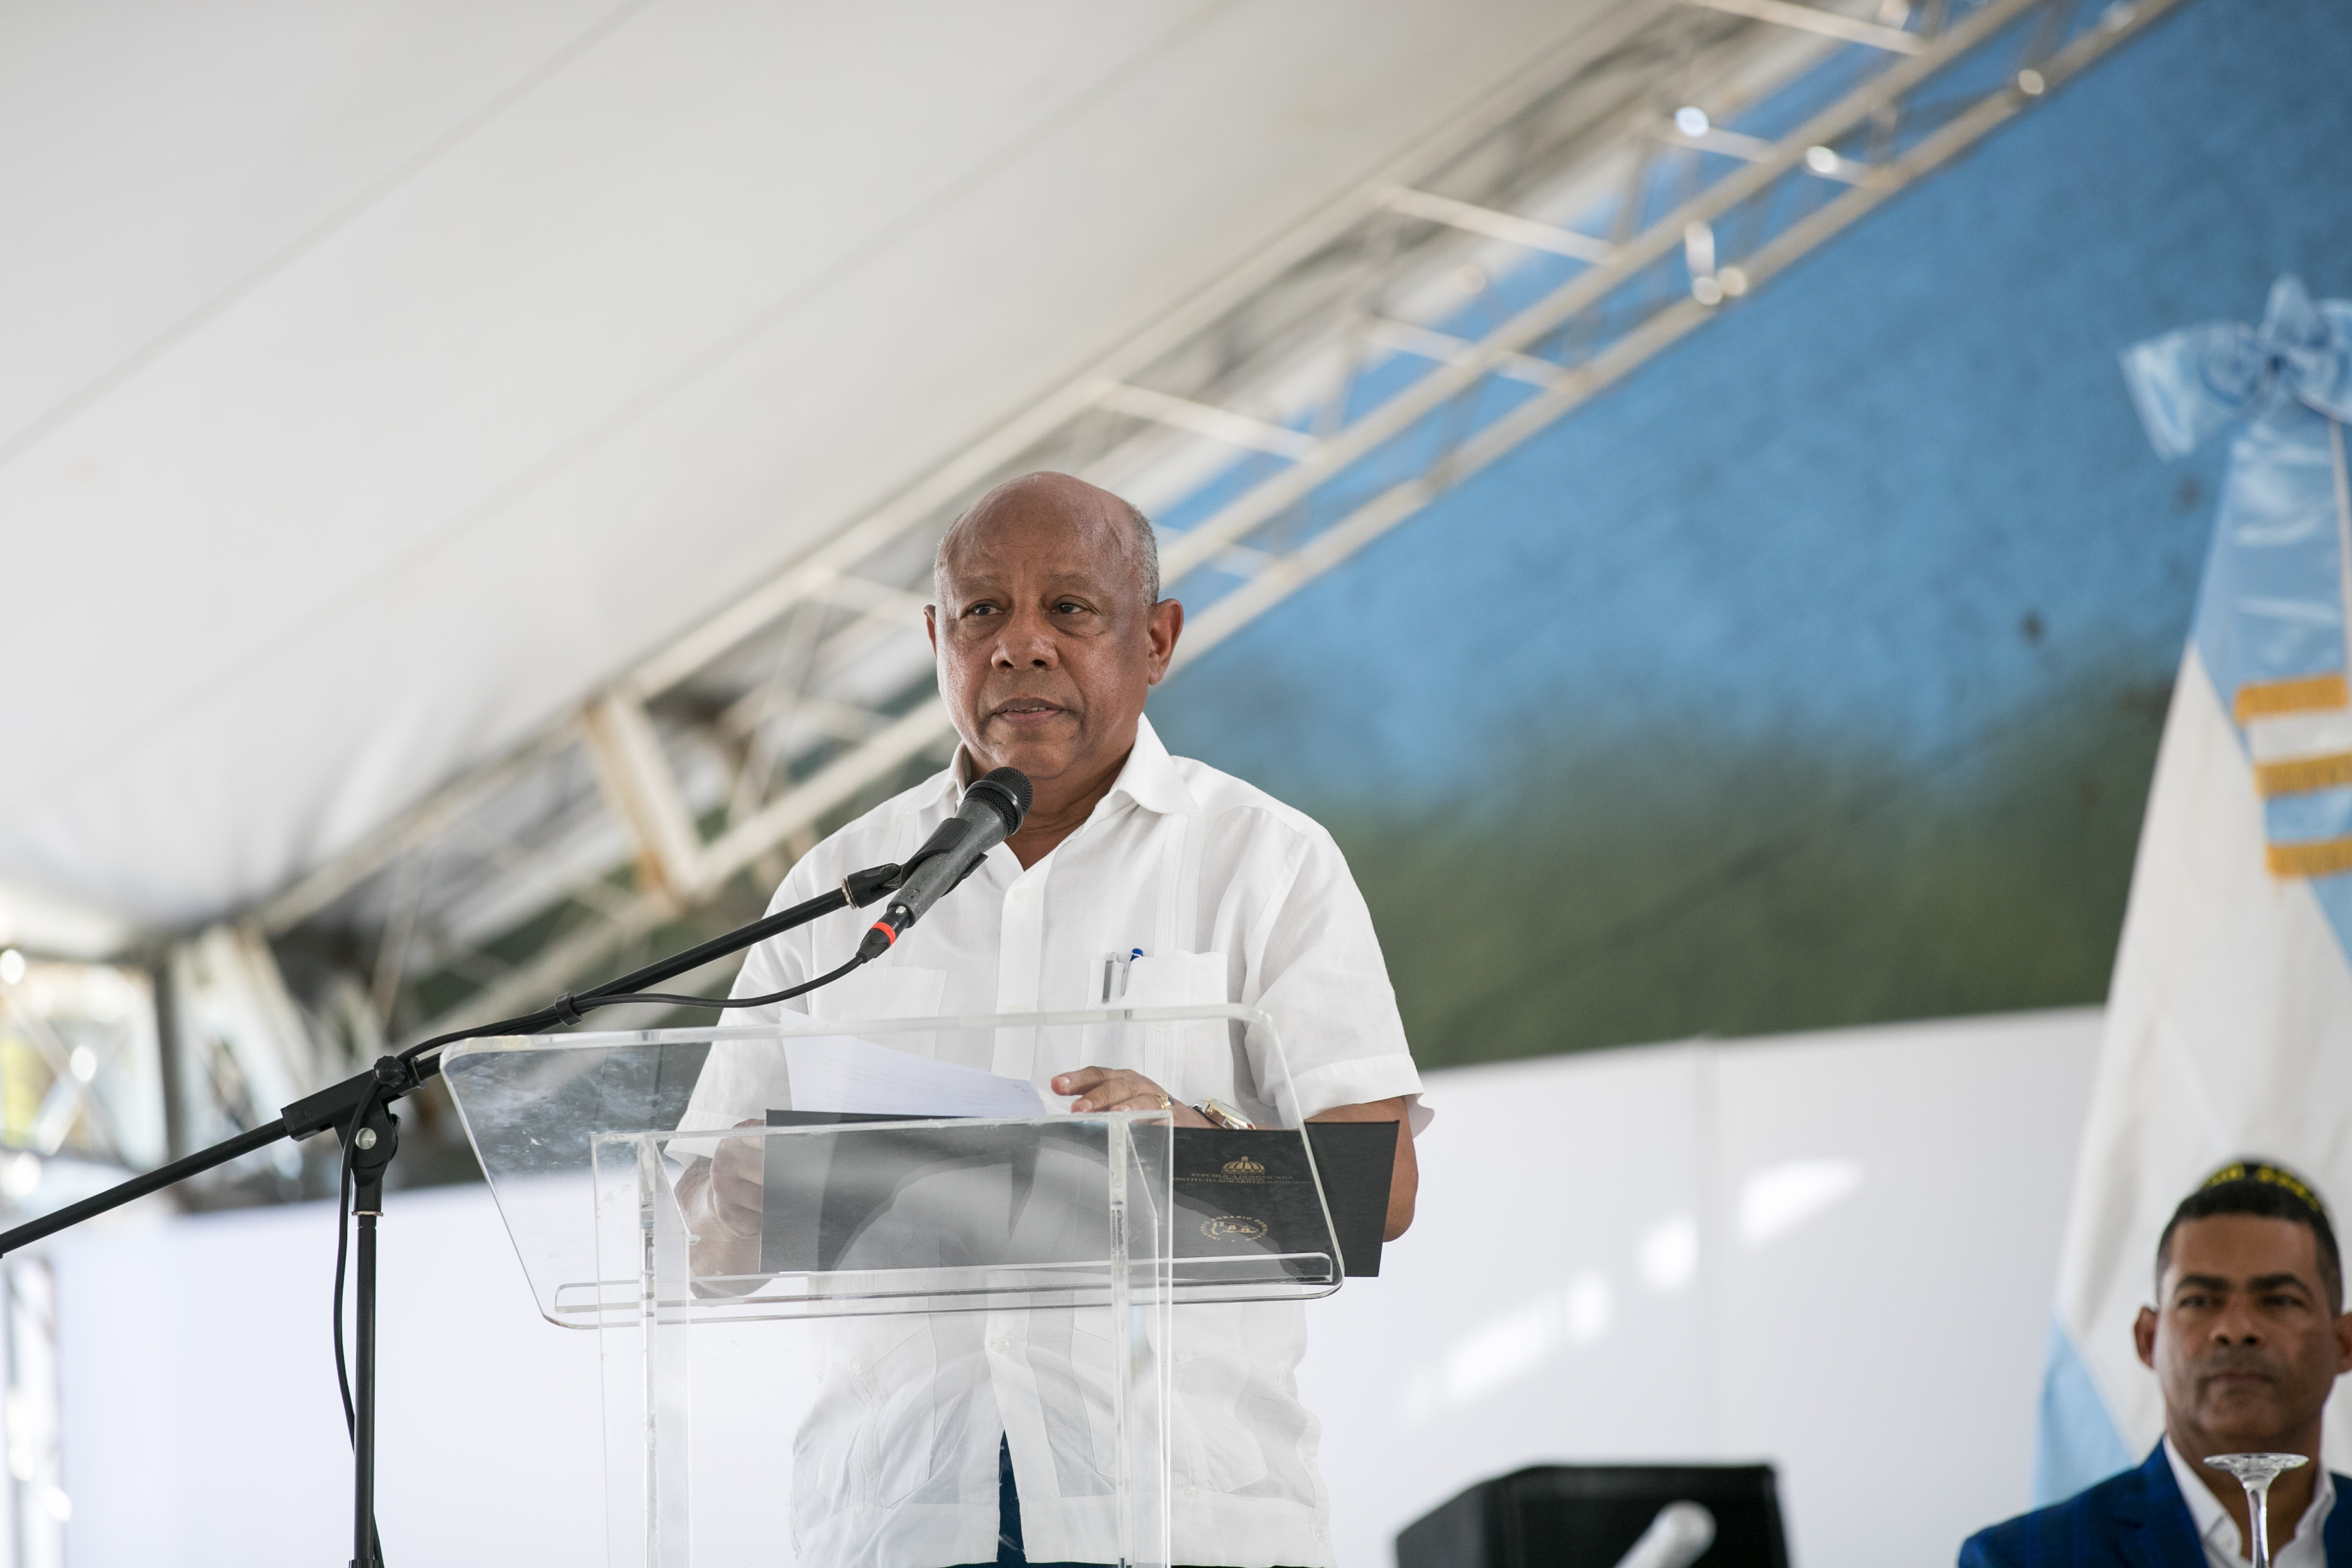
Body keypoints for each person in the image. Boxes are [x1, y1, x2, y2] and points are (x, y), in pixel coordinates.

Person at [675, 471, 1426, 1568]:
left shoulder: (1264, 860)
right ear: (936, 640)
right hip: (901, 1518)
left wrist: (1191, 1148)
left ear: (1155, 640)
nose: (1018, 645)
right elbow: (694, 1238)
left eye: (1068, 608)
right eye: (981, 611)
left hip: (1182, 1520)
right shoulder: (838, 887)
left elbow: (1376, 1194)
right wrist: (735, 1195)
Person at [1962, 1162, 2352, 1567]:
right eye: (2199, 1301)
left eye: (2280, 1300)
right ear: (2148, 1339)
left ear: (2344, 1344)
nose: (2236, 1330)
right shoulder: (2019, 1559)